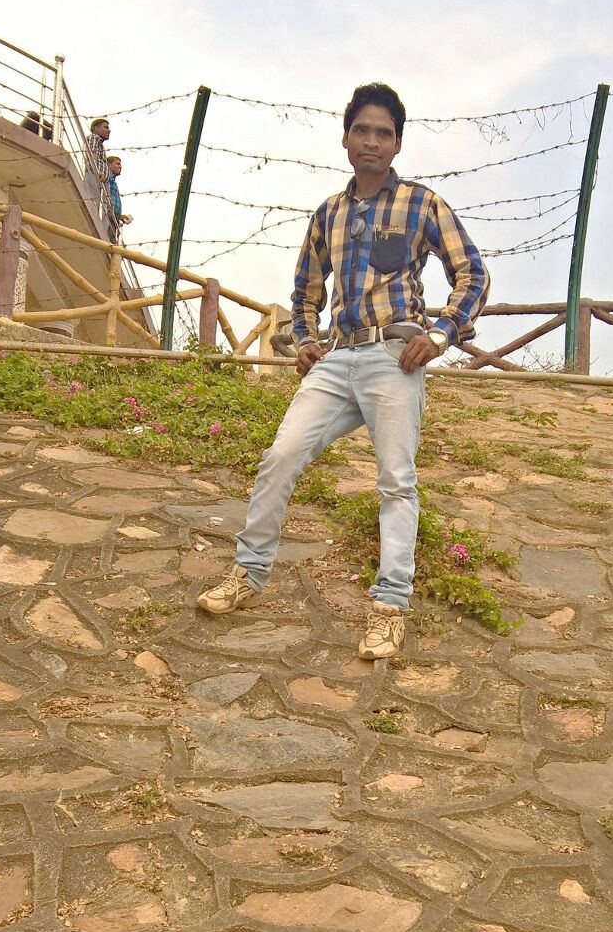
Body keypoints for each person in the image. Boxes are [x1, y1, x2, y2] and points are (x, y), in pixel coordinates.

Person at [197, 80, 490, 659]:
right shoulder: (328, 213)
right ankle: (248, 573)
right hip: (337, 360)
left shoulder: (422, 204)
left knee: (396, 481)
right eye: (362, 130)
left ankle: (390, 606)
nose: (372, 142)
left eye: (384, 133)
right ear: (346, 139)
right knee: (281, 455)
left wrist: (440, 333)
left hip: (393, 357)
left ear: (398, 143)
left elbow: (473, 273)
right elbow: (305, 289)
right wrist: (306, 341)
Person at [85, 117, 110, 214]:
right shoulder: (93, 138)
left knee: (96, 209)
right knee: (92, 207)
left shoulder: (101, 145)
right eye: (105, 127)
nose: (109, 130)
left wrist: (108, 197)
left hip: (100, 180)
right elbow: (92, 154)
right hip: (94, 176)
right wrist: (97, 171)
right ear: (96, 128)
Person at [105, 155, 133, 240]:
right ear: (109, 165)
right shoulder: (107, 178)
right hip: (107, 216)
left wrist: (120, 217)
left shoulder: (113, 182)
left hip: (113, 219)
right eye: (117, 164)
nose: (120, 166)